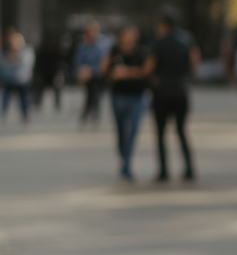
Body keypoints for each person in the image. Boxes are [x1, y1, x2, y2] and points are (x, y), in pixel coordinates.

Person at [148, 13, 198, 182]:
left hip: (162, 91)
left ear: (164, 25)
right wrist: (187, 76)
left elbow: (150, 66)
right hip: (180, 89)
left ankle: (163, 170)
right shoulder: (186, 40)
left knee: (161, 133)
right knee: (181, 130)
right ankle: (189, 168)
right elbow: (194, 59)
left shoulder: (159, 42)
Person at [100, 25, 149, 181]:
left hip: (137, 96)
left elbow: (145, 71)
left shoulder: (142, 52)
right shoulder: (114, 51)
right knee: (121, 131)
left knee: (132, 131)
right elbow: (104, 71)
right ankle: (123, 159)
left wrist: (125, 72)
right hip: (118, 96)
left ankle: (127, 164)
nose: (128, 41)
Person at [73, 21, 110, 125]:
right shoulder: (82, 46)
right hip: (87, 76)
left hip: (99, 76)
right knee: (91, 95)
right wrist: (82, 71)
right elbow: (78, 62)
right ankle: (90, 115)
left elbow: (104, 64)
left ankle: (90, 115)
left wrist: (91, 71)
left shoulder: (103, 45)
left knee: (94, 94)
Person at [1, 27, 35, 122]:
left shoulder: (26, 51)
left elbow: (27, 66)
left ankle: (25, 115)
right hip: (9, 79)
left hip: (22, 79)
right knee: (6, 97)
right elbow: (4, 67)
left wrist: (16, 58)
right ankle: (4, 114)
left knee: (24, 99)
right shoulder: (6, 52)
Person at [33, 32, 66, 111]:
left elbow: (61, 64)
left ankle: (57, 103)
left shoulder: (57, 51)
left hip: (54, 75)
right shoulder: (41, 50)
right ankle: (37, 102)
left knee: (58, 83)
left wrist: (59, 73)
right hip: (43, 75)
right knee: (38, 83)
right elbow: (37, 64)